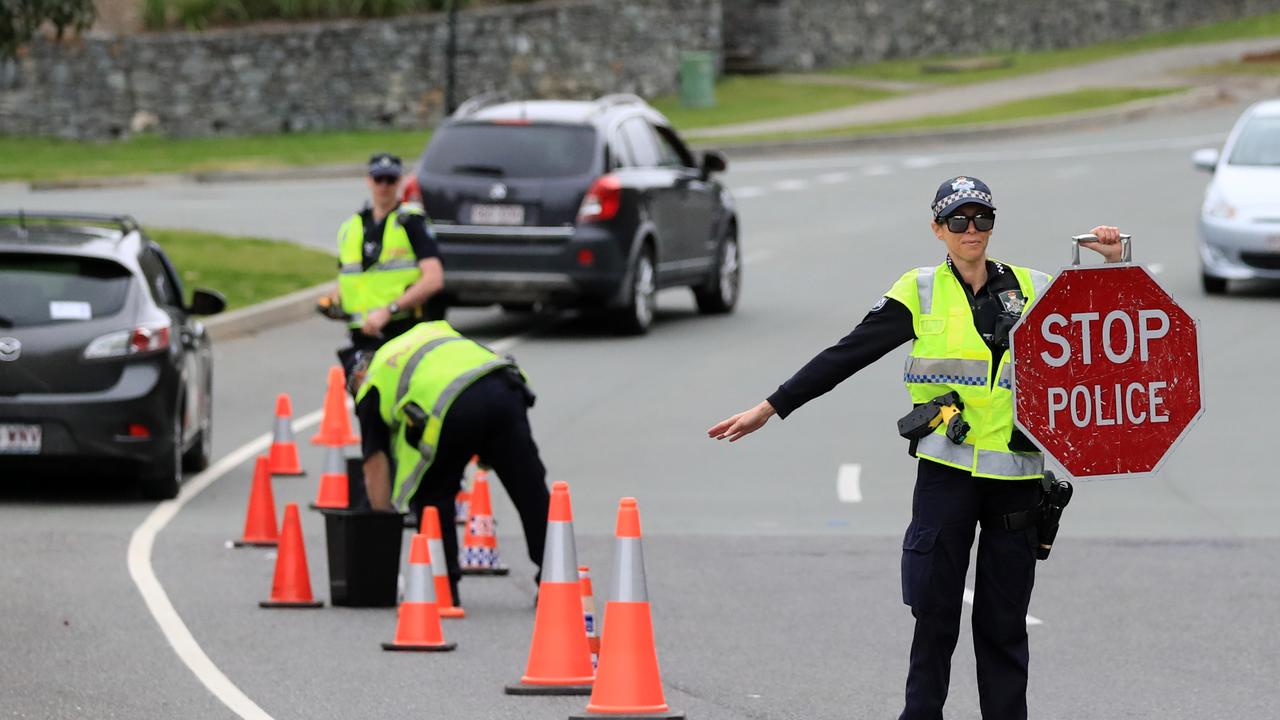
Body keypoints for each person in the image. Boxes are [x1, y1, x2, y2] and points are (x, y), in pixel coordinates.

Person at [707, 176, 1123, 720]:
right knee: (935, 618)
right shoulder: (920, 291)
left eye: (981, 218)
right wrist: (773, 405)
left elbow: (1107, 338)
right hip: (946, 478)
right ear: (937, 229)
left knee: (1003, 625)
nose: (971, 230)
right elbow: (847, 354)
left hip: (1017, 480)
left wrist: (1114, 265)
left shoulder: (1033, 285)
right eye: (958, 220)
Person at [351, 320, 551, 602]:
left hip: (452, 407)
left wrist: (381, 527)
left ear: (358, 377)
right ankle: (556, 579)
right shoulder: (423, 334)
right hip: (503, 387)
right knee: (530, 488)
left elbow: (375, 464)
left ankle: (444, 587)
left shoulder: (371, 386)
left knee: (433, 495)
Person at [332, 153, 446, 379]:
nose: (384, 186)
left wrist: (389, 310)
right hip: (361, 335)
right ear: (368, 181)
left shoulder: (411, 221)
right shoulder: (351, 226)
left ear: (399, 182)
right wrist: (334, 300)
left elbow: (434, 279)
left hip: (402, 330)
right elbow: (348, 276)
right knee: (366, 406)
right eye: (378, 179)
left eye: (390, 180)